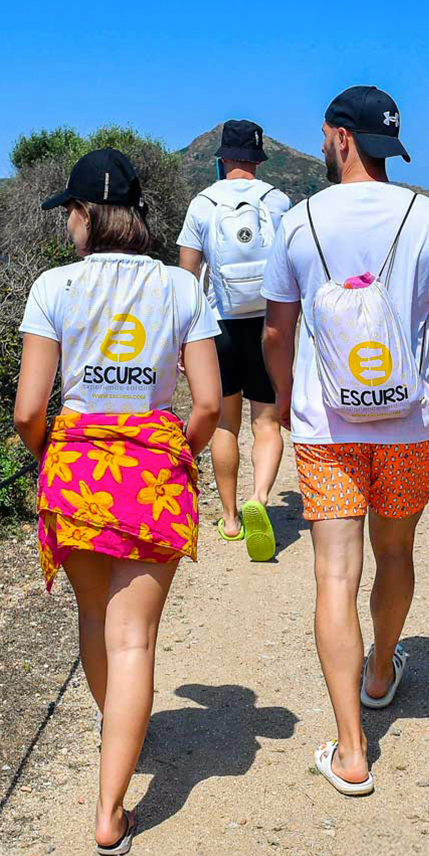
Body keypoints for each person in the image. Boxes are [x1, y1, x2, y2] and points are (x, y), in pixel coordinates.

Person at [260, 86, 429, 796]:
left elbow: (277, 329)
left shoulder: (298, 223)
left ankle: (352, 751)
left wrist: (282, 405)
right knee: (395, 552)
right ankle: (382, 669)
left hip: (327, 428)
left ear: (338, 137)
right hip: (409, 425)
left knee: (334, 577)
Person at [12, 148, 222, 854]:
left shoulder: (54, 288)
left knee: (96, 616)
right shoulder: (180, 290)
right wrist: (178, 456)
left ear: (80, 214)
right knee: (135, 637)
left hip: (74, 471)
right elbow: (210, 404)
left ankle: (117, 730)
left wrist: (51, 453)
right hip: (153, 472)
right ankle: (110, 812)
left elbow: (27, 410)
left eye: (68, 214)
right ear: (136, 213)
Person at [177, 119, 293, 562]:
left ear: (223, 158)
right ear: (259, 159)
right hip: (268, 326)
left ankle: (229, 518)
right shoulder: (279, 202)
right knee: (266, 422)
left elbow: (187, 277)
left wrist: (182, 342)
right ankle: (260, 499)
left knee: (226, 423)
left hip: (218, 326)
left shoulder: (202, 205)